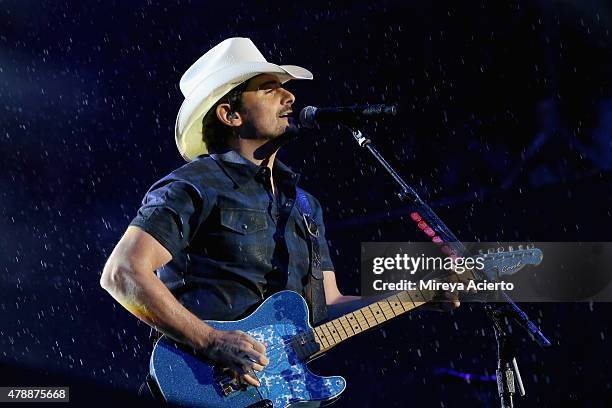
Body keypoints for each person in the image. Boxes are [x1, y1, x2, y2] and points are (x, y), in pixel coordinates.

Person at [100, 37, 459, 399]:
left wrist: (419, 294)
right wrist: (211, 341)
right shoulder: (194, 184)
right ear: (230, 114)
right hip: (201, 388)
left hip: (275, 395)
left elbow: (327, 307)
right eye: (269, 89)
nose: (289, 98)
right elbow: (122, 272)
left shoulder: (305, 205)